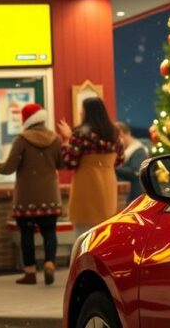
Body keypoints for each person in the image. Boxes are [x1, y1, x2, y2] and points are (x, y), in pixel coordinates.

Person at [0, 103, 63, 286]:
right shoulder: (55, 139)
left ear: (26, 120)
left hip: (27, 197)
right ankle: (49, 263)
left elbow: (9, 168)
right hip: (50, 196)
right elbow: (61, 164)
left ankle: (30, 273)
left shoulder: (22, 140)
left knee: (27, 234)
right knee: (49, 232)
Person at [58, 97, 124, 239]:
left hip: (86, 187)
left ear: (87, 112)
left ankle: (84, 261)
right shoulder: (114, 134)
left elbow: (70, 162)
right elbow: (120, 160)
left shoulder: (81, 134)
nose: (80, 113)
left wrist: (65, 142)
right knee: (105, 236)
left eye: (82, 110)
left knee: (83, 237)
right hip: (107, 187)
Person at [115, 121, 148, 203]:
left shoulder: (138, 150)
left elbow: (135, 172)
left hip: (135, 195)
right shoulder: (127, 150)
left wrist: (114, 169)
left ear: (121, 133)